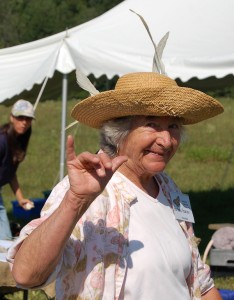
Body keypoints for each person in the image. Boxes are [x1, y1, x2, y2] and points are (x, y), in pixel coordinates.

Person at [7, 72, 224, 300]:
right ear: (119, 132)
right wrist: (75, 200)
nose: (167, 140)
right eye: (151, 124)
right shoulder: (90, 190)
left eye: (173, 126)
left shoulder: (169, 190)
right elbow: (25, 275)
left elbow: (201, 283)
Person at [0, 99, 35, 239]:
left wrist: (20, 198)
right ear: (11, 117)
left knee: (5, 240)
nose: (24, 122)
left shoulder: (20, 140)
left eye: (28, 119)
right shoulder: (2, 142)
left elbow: (10, 172)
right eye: (20, 117)